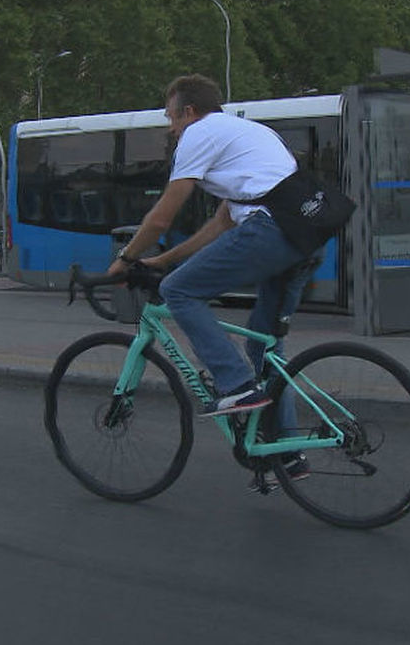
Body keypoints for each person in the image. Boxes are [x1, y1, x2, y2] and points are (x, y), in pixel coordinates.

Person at [107, 75, 321, 483]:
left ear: (188, 111)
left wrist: (127, 257)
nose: (170, 127)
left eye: (171, 117)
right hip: (306, 238)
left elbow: (162, 215)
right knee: (265, 347)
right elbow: (221, 223)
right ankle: (288, 456)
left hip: (271, 232)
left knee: (177, 292)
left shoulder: (199, 133)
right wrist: (163, 260)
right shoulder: (249, 132)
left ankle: (236, 386)